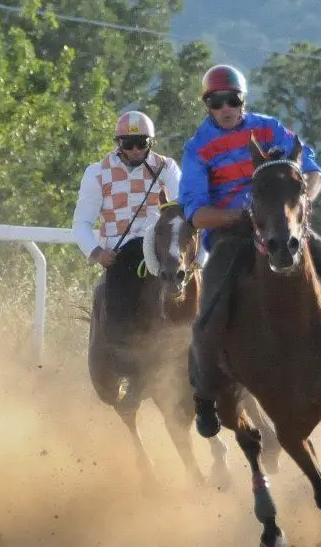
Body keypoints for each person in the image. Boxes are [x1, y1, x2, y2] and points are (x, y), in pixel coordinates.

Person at [178, 64, 321, 438]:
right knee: (211, 308)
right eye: (216, 102)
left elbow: (315, 171)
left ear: (243, 100)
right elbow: (195, 212)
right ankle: (204, 393)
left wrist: (300, 206)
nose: (225, 108)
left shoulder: (270, 127)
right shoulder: (197, 147)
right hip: (233, 235)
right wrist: (240, 215)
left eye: (232, 100)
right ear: (207, 105)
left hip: (285, 225)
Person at [72, 110, 182, 391]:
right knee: (115, 308)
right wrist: (97, 253)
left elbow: (182, 207)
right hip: (120, 256)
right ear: (117, 143)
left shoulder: (167, 168)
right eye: (128, 143)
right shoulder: (96, 173)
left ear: (150, 142)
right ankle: (123, 364)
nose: (135, 149)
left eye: (141, 142)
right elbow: (82, 223)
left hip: (157, 250)